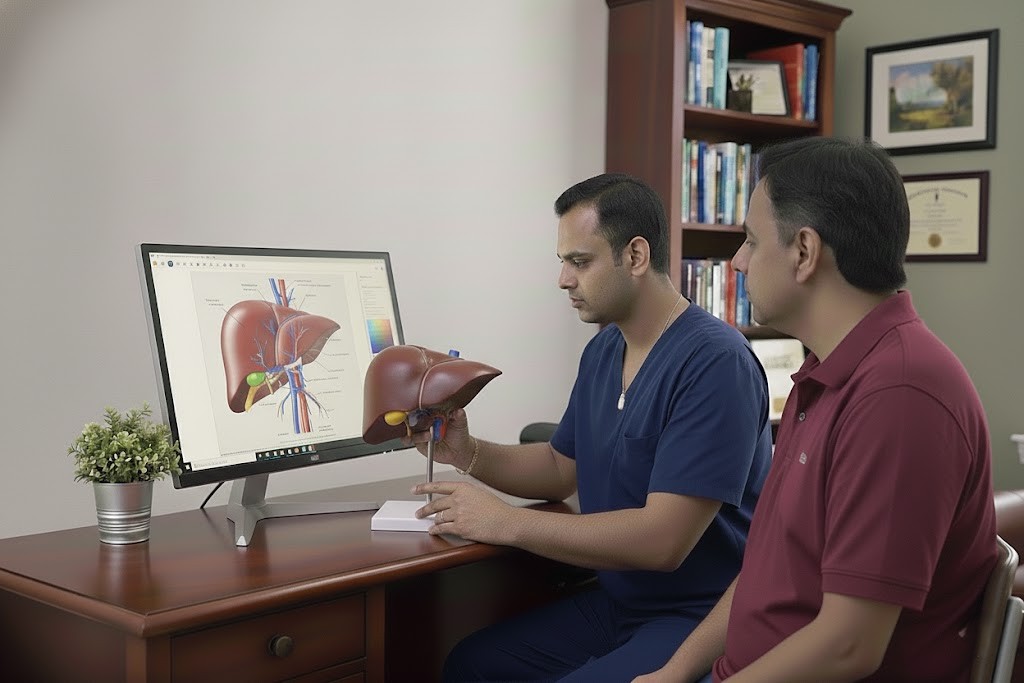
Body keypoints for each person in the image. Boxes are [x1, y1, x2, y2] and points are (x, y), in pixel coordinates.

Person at [635, 136, 998, 683]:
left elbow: (849, 645)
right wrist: (677, 670)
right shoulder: (826, 377)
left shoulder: (900, 395)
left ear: (804, 252)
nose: (736, 261)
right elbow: (768, 570)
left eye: (752, 242)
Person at [409, 172, 774, 682]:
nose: (563, 279)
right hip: (620, 604)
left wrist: (506, 522)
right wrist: (467, 452)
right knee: (471, 665)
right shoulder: (605, 349)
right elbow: (561, 466)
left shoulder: (716, 362)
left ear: (636, 256)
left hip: (698, 615)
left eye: (579, 262)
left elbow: (663, 542)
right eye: (563, 262)